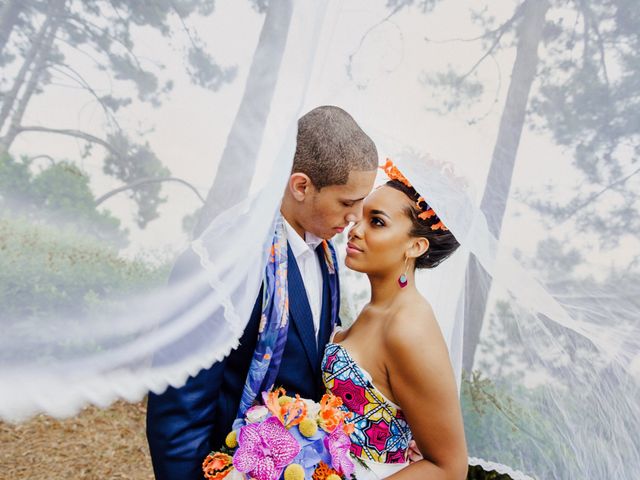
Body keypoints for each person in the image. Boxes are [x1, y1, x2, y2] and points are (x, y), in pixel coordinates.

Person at [146, 105, 378, 480]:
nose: (356, 217)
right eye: (348, 203)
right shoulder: (222, 264)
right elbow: (178, 417)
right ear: (301, 186)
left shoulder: (328, 256)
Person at [321, 159, 468, 479]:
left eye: (376, 222)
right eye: (360, 215)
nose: (355, 229)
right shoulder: (374, 311)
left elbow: (450, 468)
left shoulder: (409, 328)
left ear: (416, 246)